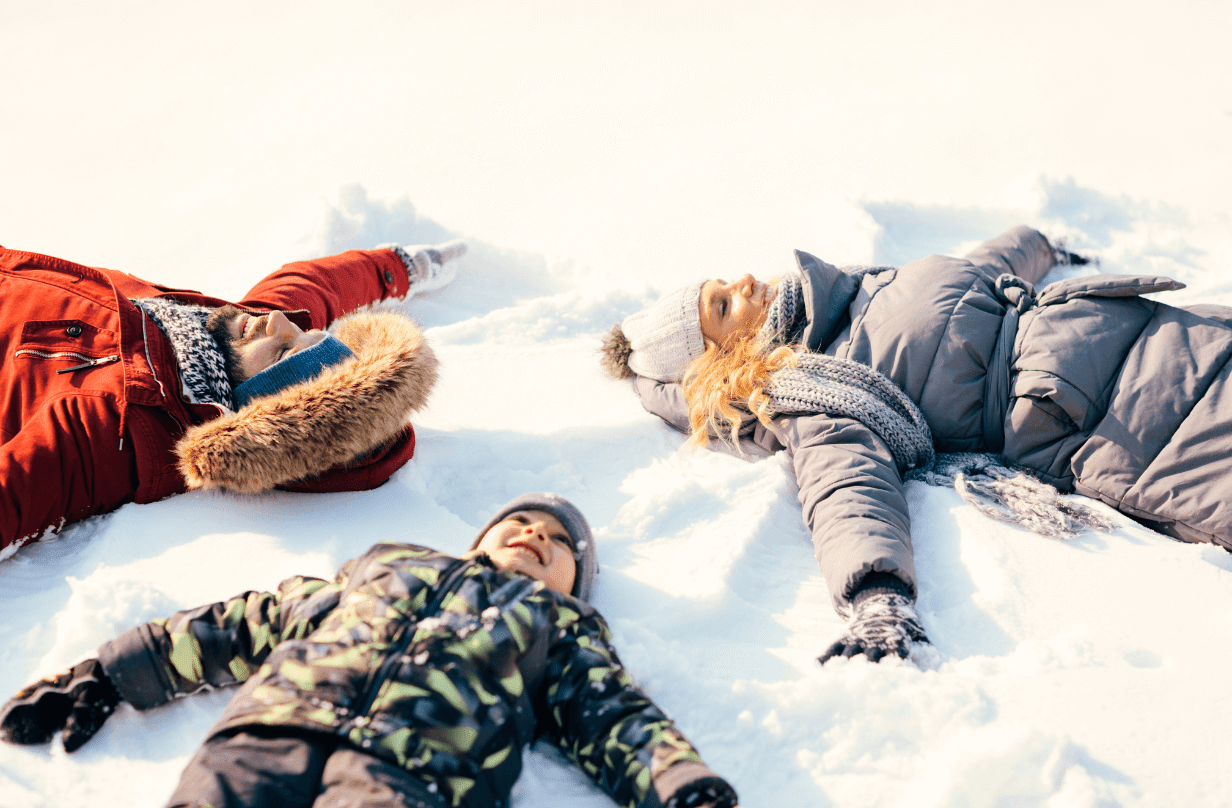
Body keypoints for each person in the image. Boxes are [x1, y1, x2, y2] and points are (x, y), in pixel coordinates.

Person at [600, 225, 1232, 664]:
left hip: (1162, 330)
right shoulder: (816, 388)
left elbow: (980, 272)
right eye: (723, 303)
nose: (743, 280)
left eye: (723, 283)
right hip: (1125, 422)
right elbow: (846, 489)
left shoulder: (848, 290)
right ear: (721, 354)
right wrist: (877, 597)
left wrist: (1036, 243)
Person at [0, 493, 739, 808]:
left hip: (416, 773)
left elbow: (613, 716)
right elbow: (249, 621)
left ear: (577, 586)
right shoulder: (389, 565)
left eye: (557, 544)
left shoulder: (558, 629)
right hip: (267, 736)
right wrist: (108, 672)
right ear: (480, 537)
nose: (534, 536)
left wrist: (678, 786)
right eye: (520, 521)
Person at [0, 240, 465, 553]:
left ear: (255, 403)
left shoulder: (118, 432)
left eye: (283, 351)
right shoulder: (228, 335)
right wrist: (403, 266)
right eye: (305, 332)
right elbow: (319, 283)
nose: (279, 322)